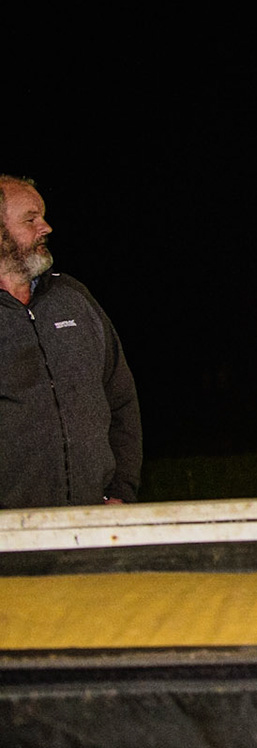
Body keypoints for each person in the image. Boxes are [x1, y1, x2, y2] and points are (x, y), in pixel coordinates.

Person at [1, 174, 142, 509]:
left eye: (43, 216)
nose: (46, 227)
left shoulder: (73, 297)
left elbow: (121, 399)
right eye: (31, 219)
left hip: (91, 516)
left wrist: (121, 491)